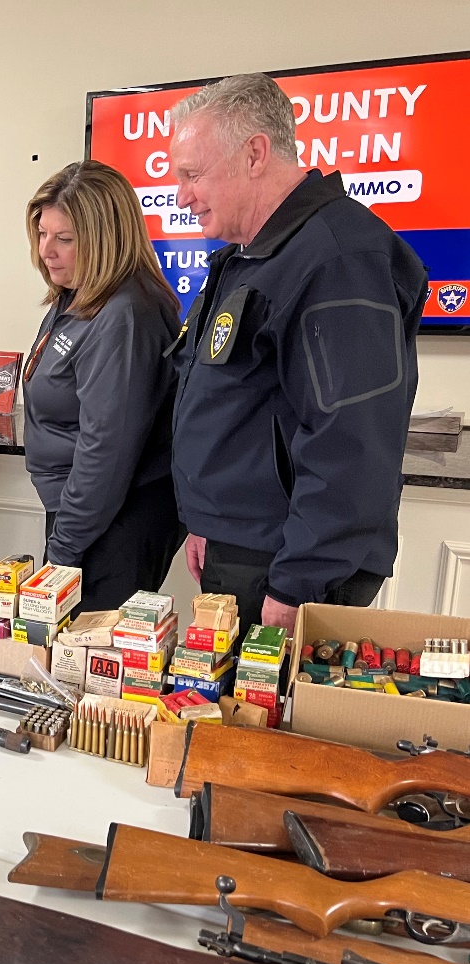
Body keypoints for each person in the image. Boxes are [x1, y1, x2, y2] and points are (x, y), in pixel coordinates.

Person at [168, 73, 427, 634]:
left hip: (288, 567)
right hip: (246, 547)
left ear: (255, 153)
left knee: (262, 722)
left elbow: (349, 442)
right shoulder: (254, 254)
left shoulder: (336, 259)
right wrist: (206, 521)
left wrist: (297, 584)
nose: (181, 194)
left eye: (192, 174)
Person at [22, 161, 186, 611]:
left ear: (105, 239)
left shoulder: (125, 313)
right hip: (84, 517)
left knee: (95, 669)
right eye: (42, 234)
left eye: (65, 239)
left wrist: (64, 548)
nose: (46, 251)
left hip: (111, 523)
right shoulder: (76, 297)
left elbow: (105, 450)